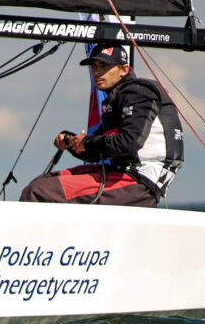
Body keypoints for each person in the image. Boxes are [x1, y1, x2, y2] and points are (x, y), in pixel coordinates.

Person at [19, 42, 182, 205]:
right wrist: (71, 142)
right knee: (42, 182)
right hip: (122, 174)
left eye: (104, 66)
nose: (96, 72)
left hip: (140, 182)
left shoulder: (138, 92)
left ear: (124, 69)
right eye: (94, 67)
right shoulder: (116, 99)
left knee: (38, 191)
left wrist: (86, 142)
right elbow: (97, 151)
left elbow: (129, 143)